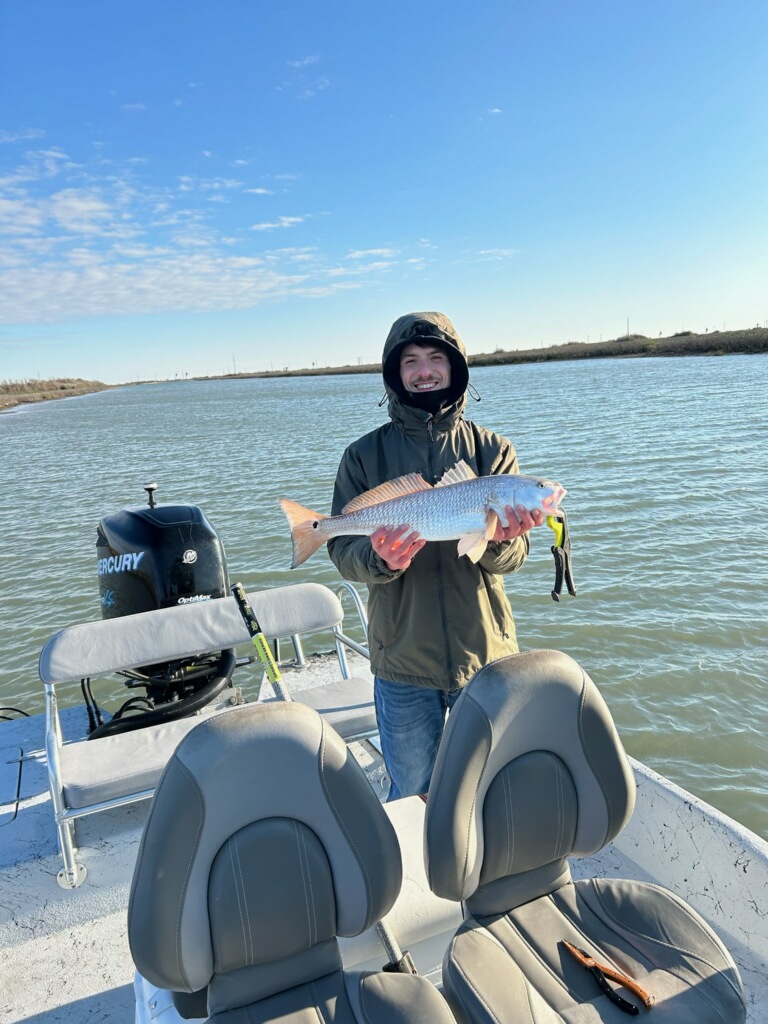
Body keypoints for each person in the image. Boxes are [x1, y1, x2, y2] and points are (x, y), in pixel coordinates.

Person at [327, 311, 544, 799]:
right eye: (411, 361)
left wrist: (503, 539)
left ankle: (487, 874)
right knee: (412, 792)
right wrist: (380, 558)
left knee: (492, 787)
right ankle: (418, 874)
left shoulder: (494, 451)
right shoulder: (362, 456)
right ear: (395, 373)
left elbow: (515, 558)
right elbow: (343, 551)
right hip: (402, 662)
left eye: (436, 358)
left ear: (456, 367)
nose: (425, 370)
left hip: (485, 655)